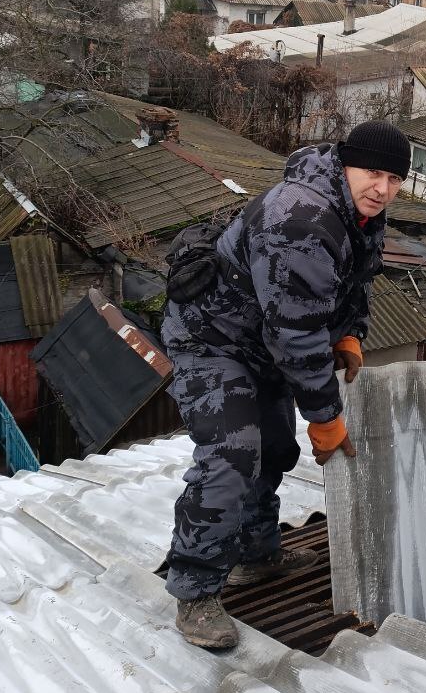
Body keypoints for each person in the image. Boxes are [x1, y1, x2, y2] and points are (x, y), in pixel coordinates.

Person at [162, 120, 411, 648]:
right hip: (214, 340)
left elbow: (353, 283)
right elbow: (295, 335)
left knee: (274, 450)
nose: (382, 189)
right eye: (373, 173)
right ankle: (196, 591)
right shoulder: (300, 216)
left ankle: (257, 554)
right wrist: (326, 416)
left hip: (260, 342)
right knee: (232, 456)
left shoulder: (361, 213)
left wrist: (350, 334)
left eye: (394, 179)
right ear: (345, 163)